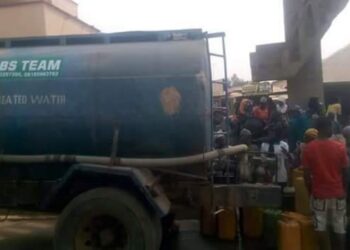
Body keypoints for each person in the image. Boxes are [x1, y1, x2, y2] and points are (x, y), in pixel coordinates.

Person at [302, 118, 348, 250]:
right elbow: (346, 173)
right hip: (338, 194)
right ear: (326, 128)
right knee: (340, 227)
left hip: (319, 195)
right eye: (331, 127)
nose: (332, 130)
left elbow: (306, 175)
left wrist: (311, 191)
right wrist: (344, 191)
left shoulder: (309, 149)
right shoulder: (340, 147)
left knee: (320, 226)